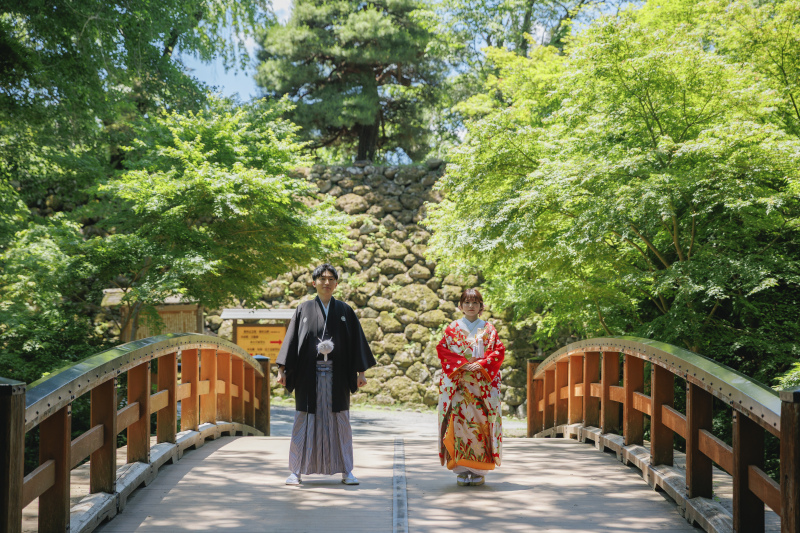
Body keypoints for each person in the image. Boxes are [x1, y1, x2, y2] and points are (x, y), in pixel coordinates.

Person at [276, 263, 376, 485]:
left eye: (331, 279)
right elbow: (292, 342)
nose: (326, 283)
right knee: (303, 419)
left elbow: (356, 344)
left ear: (336, 283)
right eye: (322, 279)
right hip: (307, 375)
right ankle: (296, 470)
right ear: (314, 283)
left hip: (337, 375)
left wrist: (361, 372)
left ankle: (346, 470)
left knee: (340, 420)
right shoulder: (303, 310)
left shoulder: (345, 311)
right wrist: (282, 370)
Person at [436, 287, 505, 486]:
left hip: (481, 385)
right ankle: (460, 467)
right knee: (458, 423)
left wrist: (482, 364)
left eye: (475, 303)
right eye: (467, 302)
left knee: (481, 424)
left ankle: (478, 470)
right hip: (459, 384)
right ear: (460, 306)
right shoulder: (452, 328)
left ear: (481, 307)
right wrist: (462, 364)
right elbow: (443, 350)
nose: (471, 306)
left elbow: (498, 352)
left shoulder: (489, 329)